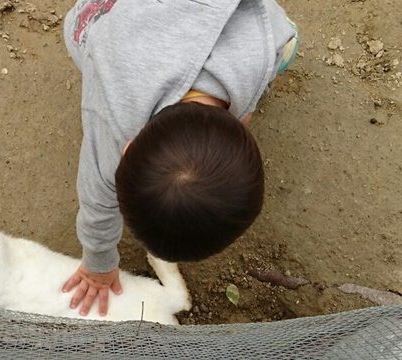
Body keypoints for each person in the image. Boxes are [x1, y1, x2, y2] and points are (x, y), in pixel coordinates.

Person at [61, 0, 300, 317]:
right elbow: (97, 196)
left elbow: (277, 27)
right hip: (106, 23)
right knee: (79, 35)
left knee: (288, 43)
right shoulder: (114, 111)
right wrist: (98, 262)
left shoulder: (261, 42)